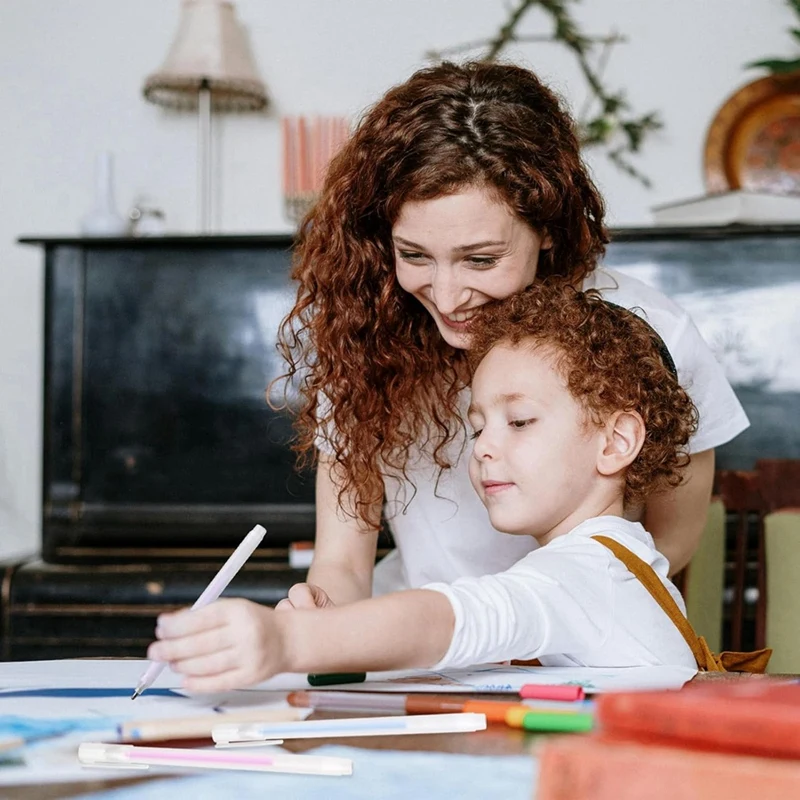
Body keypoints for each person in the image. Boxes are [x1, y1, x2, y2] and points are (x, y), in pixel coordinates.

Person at [270, 60, 747, 618]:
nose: (446, 298)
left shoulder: (652, 334)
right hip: (418, 653)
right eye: (415, 255)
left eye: (481, 259)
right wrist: (319, 611)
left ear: (547, 227)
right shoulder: (367, 336)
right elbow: (344, 564)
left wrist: (548, 626)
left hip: (576, 643)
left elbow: (669, 543)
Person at [149, 285, 699, 691]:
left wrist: (290, 640)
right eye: (477, 425)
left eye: (520, 422)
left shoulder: (585, 573)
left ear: (616, 441)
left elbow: (450, 618)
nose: (482, 447)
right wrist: (336, 628)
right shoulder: (616, 560)